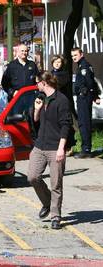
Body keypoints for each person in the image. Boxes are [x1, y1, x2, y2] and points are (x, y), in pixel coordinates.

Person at [28, 71, 72, 230]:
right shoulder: (40, 98)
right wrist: (37, 110)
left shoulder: (61, 100)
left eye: (37, 83)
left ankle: (55, 216)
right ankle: (47, 203)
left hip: (55, 147)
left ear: (44, 83)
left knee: (56, 184)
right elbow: (36, 122)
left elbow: (66, 125)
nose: (36, 85)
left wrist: (61, 148)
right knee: (33, 177)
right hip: (40, 145)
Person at [71, 47, 101, 159]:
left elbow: (90, 83)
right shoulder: (81, 66)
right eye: (72, 56)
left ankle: (86, 150)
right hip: (82, 97)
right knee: (83, 123)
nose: (74, 57)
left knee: (84, 123)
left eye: (76, 55)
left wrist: (94, 96)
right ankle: (85, 148)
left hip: (84, 97)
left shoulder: (84, 67)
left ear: (81, 54)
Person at [51, 55, 76, 156]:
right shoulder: (50, 73)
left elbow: (57, 86)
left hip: (63, 102)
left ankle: (69, 146)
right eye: (55, 62)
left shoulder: (64, 74)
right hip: (53, 102)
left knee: (65, 124)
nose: (57, 64)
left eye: (59, 62)